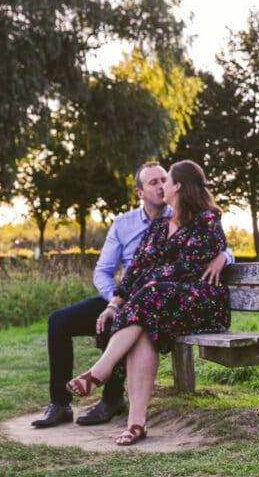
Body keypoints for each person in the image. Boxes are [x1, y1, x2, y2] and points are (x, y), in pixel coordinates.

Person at [32, 161, 232, 428]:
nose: (161, 186)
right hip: (135, 296)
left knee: (142, 305)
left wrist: (224, 256)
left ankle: (107, 387)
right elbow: (115, 271)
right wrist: (114, 302)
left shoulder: (202, 219)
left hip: (175, 298)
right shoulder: (136, 225)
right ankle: (64, 405)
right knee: (61, 320)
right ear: (140, 192)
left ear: (177, 187)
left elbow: (198, 258)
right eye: (154, 183)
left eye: (165, 180)